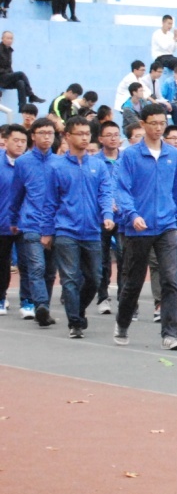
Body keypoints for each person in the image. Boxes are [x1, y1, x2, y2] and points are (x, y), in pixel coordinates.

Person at [112, 104, 177, 349]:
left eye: (162, 123)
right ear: (143, 124)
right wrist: (132, 214)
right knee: (133, 281)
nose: (158, 128)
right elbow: (122, 189)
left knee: (170, 279)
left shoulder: (174, 155)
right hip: (139, 227)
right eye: (153, 123)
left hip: (167, 225)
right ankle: (123, 323)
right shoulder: (130, 156)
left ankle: (170, 334)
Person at [40, 116, 114, 337]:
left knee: (95, 278)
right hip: (66, 230)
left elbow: (105, 193)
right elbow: (50, 202)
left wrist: (107, 214)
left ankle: (78, 310)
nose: (84, 138)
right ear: (67, 136)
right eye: (79, 134)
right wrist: (47, 231)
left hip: (92, 230)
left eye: (87, 134)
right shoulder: (56, 167)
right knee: (70, 278)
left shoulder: (98, 166)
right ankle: (75, 323)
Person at [10, 117, 58, 325]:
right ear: (33, 136)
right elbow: (17, 193)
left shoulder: (59, 162)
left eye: (50, 133)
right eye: (42, 133)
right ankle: (41, 306)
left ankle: (44, 305)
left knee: (50, 271)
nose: (47, 137)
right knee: (36, 267)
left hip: (55, 225)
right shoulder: (23, 162)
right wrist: (14, 219)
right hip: (31, 222)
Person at [96, 120, 124, 313]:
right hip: (101, 218)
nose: (113, 138)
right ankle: (103, 297)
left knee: (125, 258)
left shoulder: (127, 160)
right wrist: (106, 205)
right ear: (100, 138)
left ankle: (124, 297)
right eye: (109, 135)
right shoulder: (95, 162)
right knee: (102, 259)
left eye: (116, 135)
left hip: (123, 217)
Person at [0, 125, 28, 316]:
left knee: (28, 264)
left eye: (23, 141)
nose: (19, 144)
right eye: (15, 140)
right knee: (2, 264)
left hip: (26, 223)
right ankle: (1, 298)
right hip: (2, 223)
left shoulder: (30, 164)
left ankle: (28, 301)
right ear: (6, 141)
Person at [0, 31, 44, 107]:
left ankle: (22, 108)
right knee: (20, 74)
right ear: (2, 38)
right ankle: (31, 95)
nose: (10, 40)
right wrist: (8, 73)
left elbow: (8, 67)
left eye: (11, 38)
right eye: (8, 38)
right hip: (1, 77)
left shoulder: (9, 51)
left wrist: (11, 75)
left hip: (6, 78)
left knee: (20, 83)